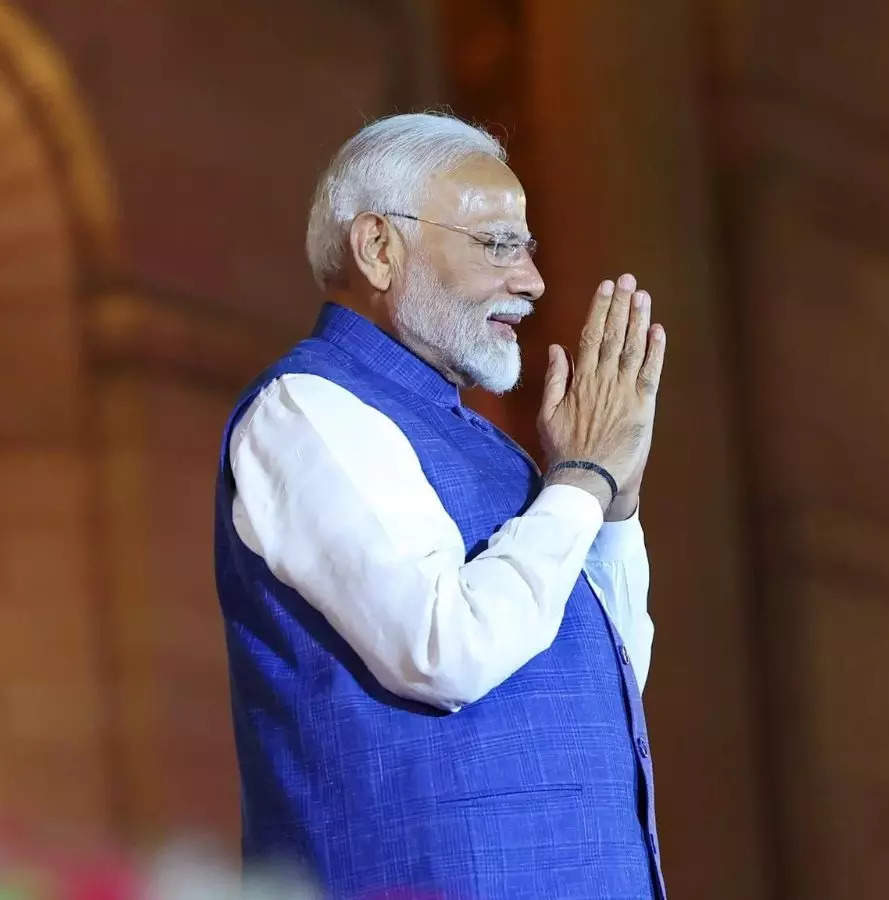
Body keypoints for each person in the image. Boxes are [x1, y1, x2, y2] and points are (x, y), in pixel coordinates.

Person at [214, 112, 667, 899]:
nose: (531, 281)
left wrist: (612, 501)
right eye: (498, 245)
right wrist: (581, 480)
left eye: (528, 248)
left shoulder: (498, 450)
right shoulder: (307, 411)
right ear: (379, 248)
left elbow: (607, 675)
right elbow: (442, 648)